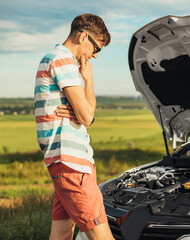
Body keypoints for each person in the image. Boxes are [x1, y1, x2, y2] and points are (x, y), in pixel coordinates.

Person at [34, 13, 114, 240]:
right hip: (72, 165)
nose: (95, 56)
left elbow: (85, 115)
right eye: (97, 48)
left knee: (61, 233)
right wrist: (86, 94)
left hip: (61, 162)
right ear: (83, 36)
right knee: (102, 235)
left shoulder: (52, 59)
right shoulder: (63, 60)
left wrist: (86, 81)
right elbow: (88, 116)